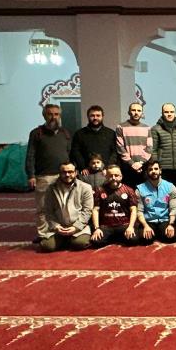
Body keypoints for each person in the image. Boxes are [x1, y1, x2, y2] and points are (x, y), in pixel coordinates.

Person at [26, 103, 72, 242]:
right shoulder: (36, 133)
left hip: (64, 177)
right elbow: (30, 155)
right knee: (43, 208)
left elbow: (70, 154)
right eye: (50, 114)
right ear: (44, 115)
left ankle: (61, 233)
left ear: (60, 116)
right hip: (43, 176)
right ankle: (43, 235)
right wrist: (31, 175)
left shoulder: (65, 133)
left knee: (63, 207)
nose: (53, 117)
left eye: (56, 114)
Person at [39, 161, 93, 253]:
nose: (67, 175)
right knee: (47, 246)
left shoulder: (85, 188)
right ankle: (64, 239)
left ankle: (69, 240)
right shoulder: (51, 188)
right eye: (64, 172)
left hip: (78, 227)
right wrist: (56, 226)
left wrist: (75, 227)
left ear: (76, 172)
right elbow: (48, 211)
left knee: (79, 244)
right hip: (59, 227)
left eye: (70, 172)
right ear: (59, 173)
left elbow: (87, 211)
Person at [90, 164, 139, 247]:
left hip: (124, 224)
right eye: (110, 175)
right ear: (106, 176)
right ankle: (116, 237)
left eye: (116, 175)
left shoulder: (129, 190)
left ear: (121, 176)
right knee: (96, 242)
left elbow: (134, 210)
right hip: (106, 225)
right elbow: (95, 210)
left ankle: (114, 237)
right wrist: (97, 228)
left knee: (133, 240)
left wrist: (131, 227)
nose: (113, 178)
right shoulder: (100, 190)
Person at [135, 160, 176, 244]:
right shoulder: (140, 189)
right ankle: (156, 233)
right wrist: (145, 226)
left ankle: (161, 232)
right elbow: (139, 211)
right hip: (149, 221)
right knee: (145, 240)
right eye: (150, 169)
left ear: (160, 170)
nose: (153, 171)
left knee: (170, 238)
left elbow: (174, 208)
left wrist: (171, 224)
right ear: (147, 172)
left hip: (164, 219)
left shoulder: (170, 187)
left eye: (156, 169)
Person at [70, 105, 116, 175]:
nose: (95, 118)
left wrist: (108, 167)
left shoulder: (111, 133)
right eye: (92, 115)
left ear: (102, 117)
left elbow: (114, 152)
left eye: (98, 115)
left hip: (106, 172)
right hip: (86, 172)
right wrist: (82, 167)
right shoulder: (79, 134)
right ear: (88, 117)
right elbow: (76, 152)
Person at [151, 102, 176, 185]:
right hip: (163, 168)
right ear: (162, 113)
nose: (169, 114)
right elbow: (153, 149)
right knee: (164, 191)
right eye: (166, 112)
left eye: (172, 112)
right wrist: (156, 166)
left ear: (175, 113)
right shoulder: (155, 129)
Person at [116, 101, 152, 187]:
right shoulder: (120, 127)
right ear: (129, 112)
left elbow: (149, 148)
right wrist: (132, 163)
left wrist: (140, 163)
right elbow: (120, 147)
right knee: (128, 193)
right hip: (127, 168)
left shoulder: (147, 128)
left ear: (142, 113)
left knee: (143, 193)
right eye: (133, 110)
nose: (136, 113)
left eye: (139, 110)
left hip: (143, 168)